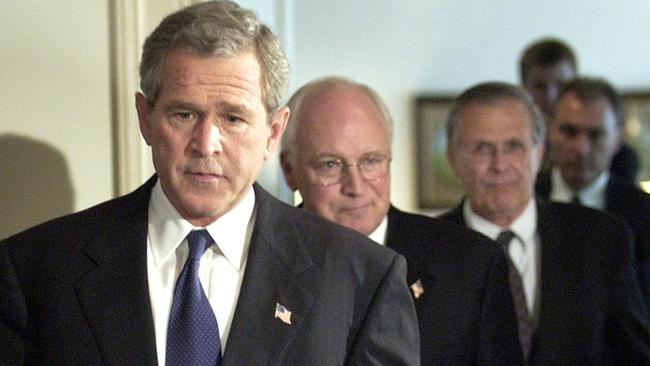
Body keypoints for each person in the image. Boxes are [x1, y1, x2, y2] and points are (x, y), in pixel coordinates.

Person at [0, 2, 420, 365]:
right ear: (146, 119)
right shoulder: (35, 269)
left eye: (233, 119)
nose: (206, 144)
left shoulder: (362, 278)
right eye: (184, 114)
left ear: (274, 132)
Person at [279, 76, 523, 365]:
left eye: (371, 161)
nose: (355, 187)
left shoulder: (471, 264)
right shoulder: (264, 263)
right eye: (330, 165)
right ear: (289, 170)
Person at [440, 81, 650, 364]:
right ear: (453, 158)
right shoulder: (425, 252)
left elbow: (635, 355)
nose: (500, 164)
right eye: (482, 149)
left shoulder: (602, 239)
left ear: (539, 152)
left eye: (514, 146)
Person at [536, 77, 650, 307]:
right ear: (549, 130)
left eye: (595, 135)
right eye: (569, 132)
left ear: (618, 139)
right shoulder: (522, 200)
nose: (581, 149)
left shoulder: (644, 212)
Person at [519, 37, 639, 181]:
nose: (551, 96)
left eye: (561, 85)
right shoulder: (514, 146)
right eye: (540, 87)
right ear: (523, 88)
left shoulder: (621, 159)